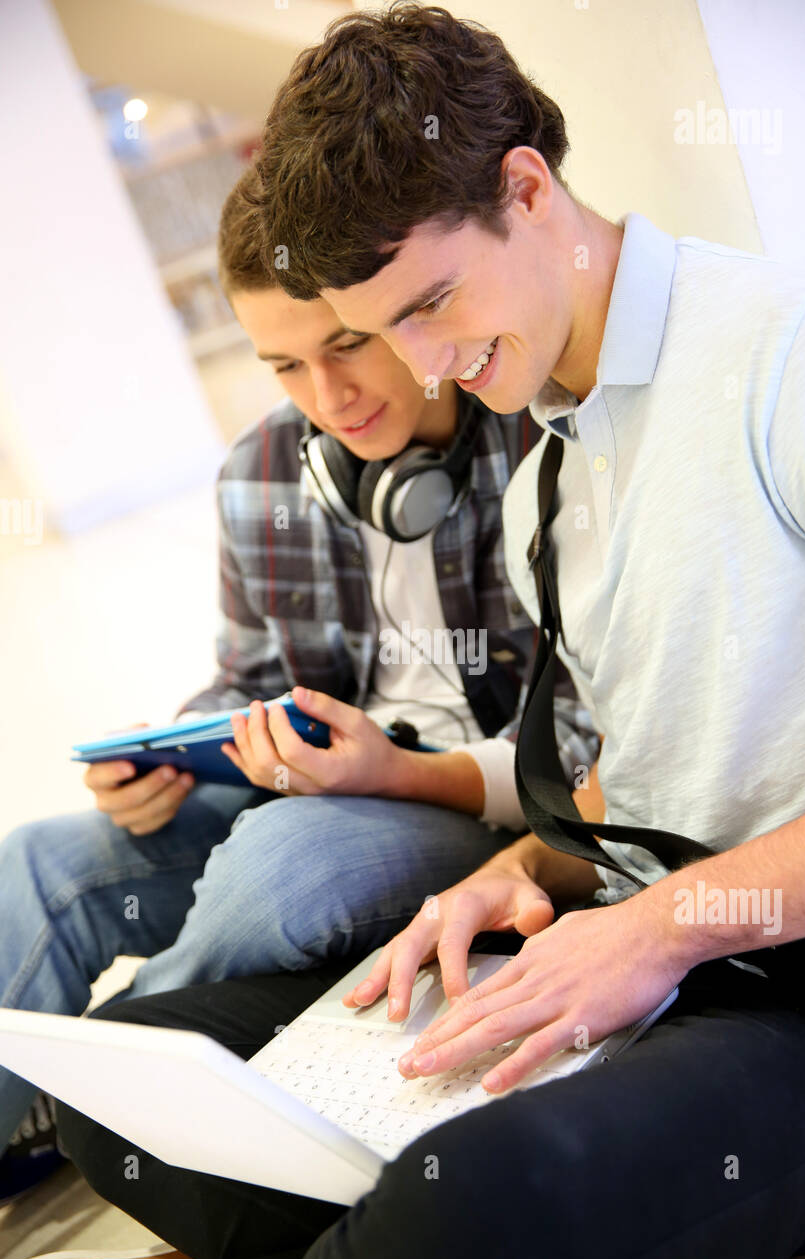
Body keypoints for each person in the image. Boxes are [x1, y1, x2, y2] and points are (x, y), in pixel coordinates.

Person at [47, 2, 805, 1259]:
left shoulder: (802, 345)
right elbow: (654, 760)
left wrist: (660, 925)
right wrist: (525, 865)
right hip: (619, 926)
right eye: (388, 328)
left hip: (803, 988)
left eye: (427, 304)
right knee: (137, 1084)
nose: (425, 363)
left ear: (526, 189)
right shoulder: (552, 453)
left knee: (484, 1201)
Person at [0, 164, 599, 1205]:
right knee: (44, 860)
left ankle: (114, 1081)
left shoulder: (536, 439)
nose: (329, 401)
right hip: (324, 781)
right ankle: (32, 1106)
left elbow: (593, 755)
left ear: (398, 311)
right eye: (283, 365)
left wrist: (400, 773)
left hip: (481, 804)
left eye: (347, 345)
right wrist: (170, 753)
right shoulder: (267, 467)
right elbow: (249, 676)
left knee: (283, 861)